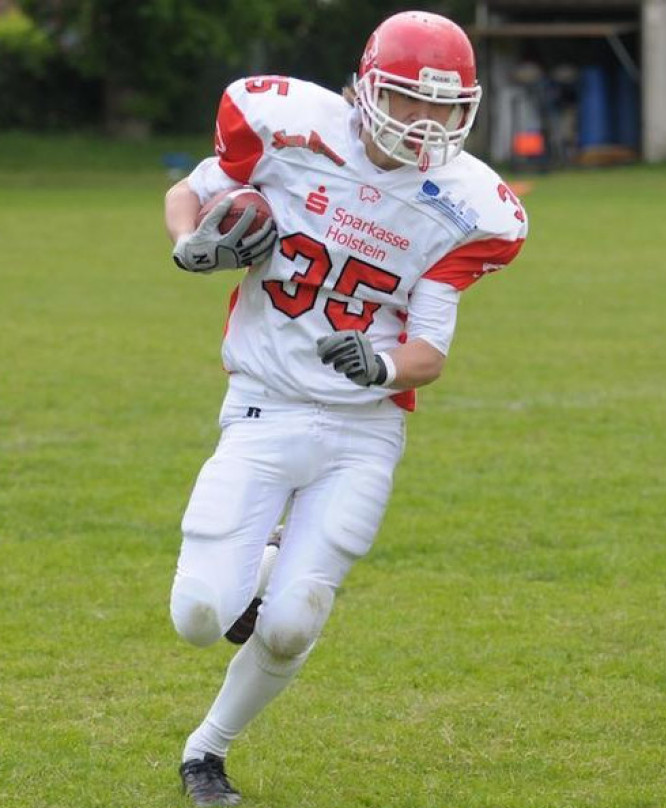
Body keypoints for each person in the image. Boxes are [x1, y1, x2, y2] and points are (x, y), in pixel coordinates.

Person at [164, 11, 528, 806]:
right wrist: (192, 244)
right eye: (409, 101)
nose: (427, 125)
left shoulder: (467, 204)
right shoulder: (287, 128)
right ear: (366, 89)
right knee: (197, 615)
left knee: (294, 622)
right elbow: (190, 194)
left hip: (365, 429)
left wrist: (381, 363)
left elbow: (428, 353)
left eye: (446, 108)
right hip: (263, 403)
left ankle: (206, 753)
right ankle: (259, 572)